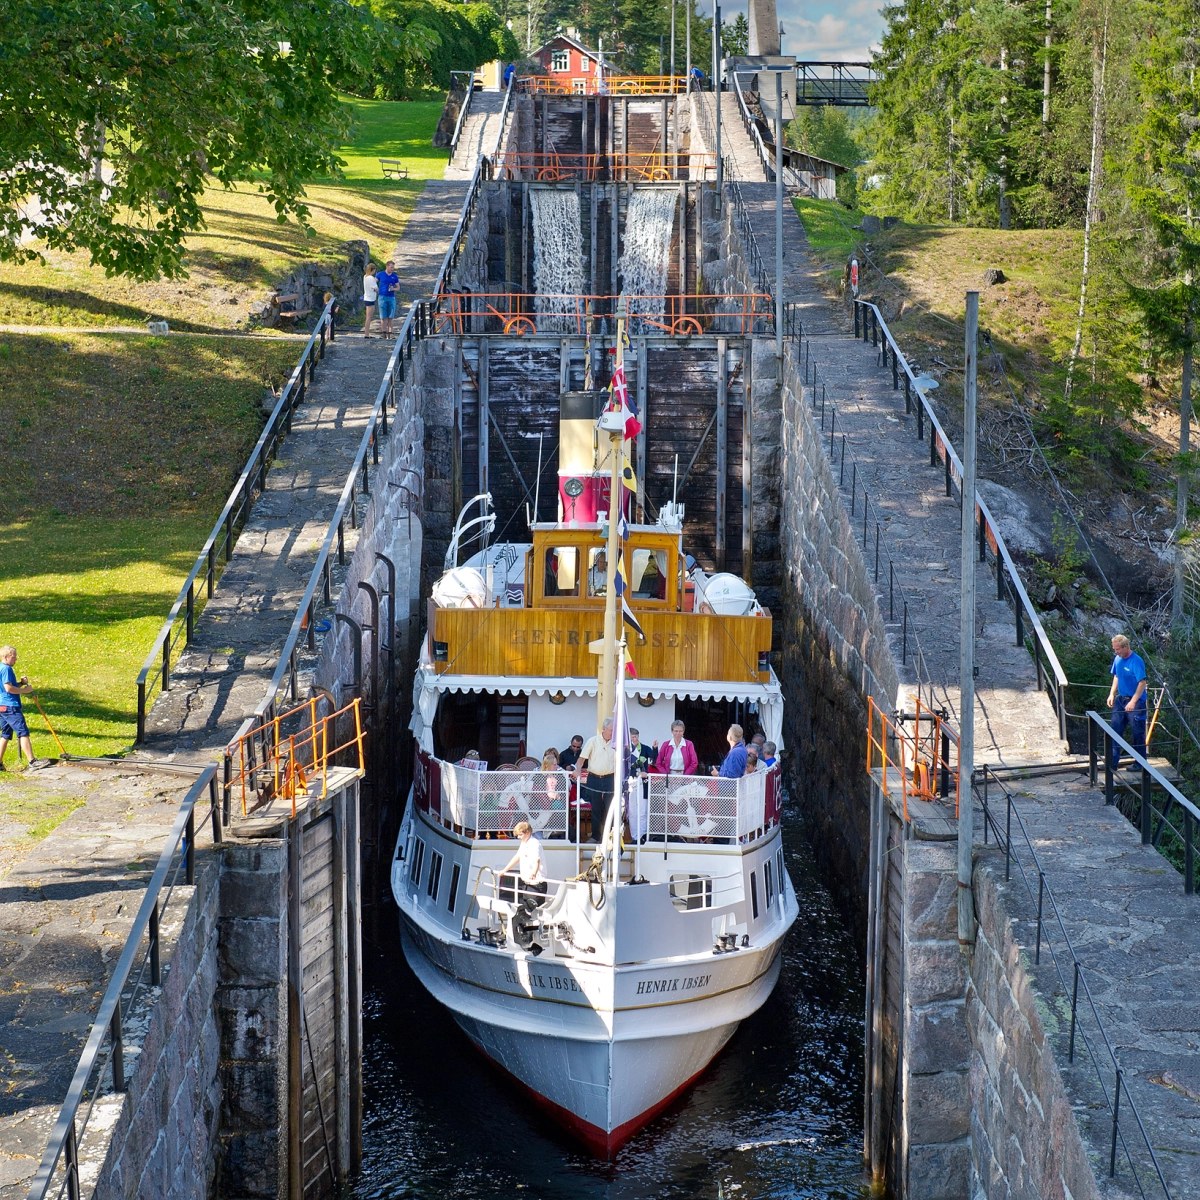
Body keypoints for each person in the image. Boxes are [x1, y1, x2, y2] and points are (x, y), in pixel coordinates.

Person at [500, 820, 548, 952]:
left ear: (527, 833)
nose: (518, 838)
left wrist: (534, 872)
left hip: (536, 886)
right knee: (522, 913)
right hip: (527, 885)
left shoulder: (534, 844)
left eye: (520, 835)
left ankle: (531, 944)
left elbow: (537, 860)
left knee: (526, 915)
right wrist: (505, 870)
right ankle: (526, 943)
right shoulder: (524, 844)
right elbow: (517, 857)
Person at [0, 647, 51, 771]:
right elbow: (8, 688)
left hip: (2, 706)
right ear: (5, 657)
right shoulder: (6, 669)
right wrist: (25, 690)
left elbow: (10, 686)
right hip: (10, 706)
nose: (15, 658)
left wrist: (21, 684)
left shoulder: (2, 668)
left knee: (6, 734)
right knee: (23, 732)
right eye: (13, 656)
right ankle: (32, 761)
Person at [1107, 634, 1147, 769]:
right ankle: (1112, 762)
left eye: (1118, 649)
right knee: (1114, 729)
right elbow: (1116, 676)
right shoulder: (1117, 659)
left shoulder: (1136, 661)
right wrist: (1112, 694)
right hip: (1120, 699)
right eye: (1114, 649)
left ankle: (1140, 763)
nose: (1116, 652)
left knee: (1137, 732)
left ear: (1126, 647)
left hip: (1136, 701)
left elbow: (1142, 683)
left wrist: (1133, 701)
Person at [575, 718, 615, 841]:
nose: (613, 732)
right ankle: (596, 836)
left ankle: (611, 837)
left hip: (610, 778)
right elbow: (581, 760)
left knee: (611, 808)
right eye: (611, 730)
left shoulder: (616, 742)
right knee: (596, 807)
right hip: (594, 777)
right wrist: (578, 771)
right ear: (604, 729)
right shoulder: (593, 741)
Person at [376, 259, 400, 336]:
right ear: (387, 266)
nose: (392, 269)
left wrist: (394, 289)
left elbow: (398, 287)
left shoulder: (394, 276)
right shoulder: (380, 274)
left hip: (391, 297)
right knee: (383, 316)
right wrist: (376, 289)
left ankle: (390, 332)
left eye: (393, 267)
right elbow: (374, 282)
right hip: (382, 296)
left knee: (391, 316)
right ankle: (383, 332)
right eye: (391, 267)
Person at [362, 262, 379, 338]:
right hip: (370, 298)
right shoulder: (371, 278)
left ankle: (367, 333)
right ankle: (366, 334)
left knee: (368, 316)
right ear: (373, 270)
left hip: (366, 297)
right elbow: (376, 289)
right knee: (369, 317)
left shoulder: (365, 277)